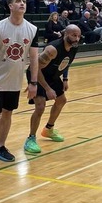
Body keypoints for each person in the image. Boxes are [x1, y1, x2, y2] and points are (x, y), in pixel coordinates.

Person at [0, 0, 39, 166]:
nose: (22, 4)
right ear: (10, 6)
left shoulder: (32, 29)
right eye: (18, 1)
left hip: (15, 81)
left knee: (8, 113)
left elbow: (34, 58)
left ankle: (0, 147)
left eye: (24, 1)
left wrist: (33, 83)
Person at [23, 25, 81, 155]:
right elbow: (35, 67)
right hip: (37, 74)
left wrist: (65, 79)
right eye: (74, 35)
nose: (77, 38)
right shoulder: (52, 49)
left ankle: (48, 129)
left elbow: (66, 63)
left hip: (52, 75)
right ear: (66, 34)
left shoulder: (74, 47)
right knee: (40, 107)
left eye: (78, 36)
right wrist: (47, 88)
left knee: (61, 100)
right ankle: (31, 138)